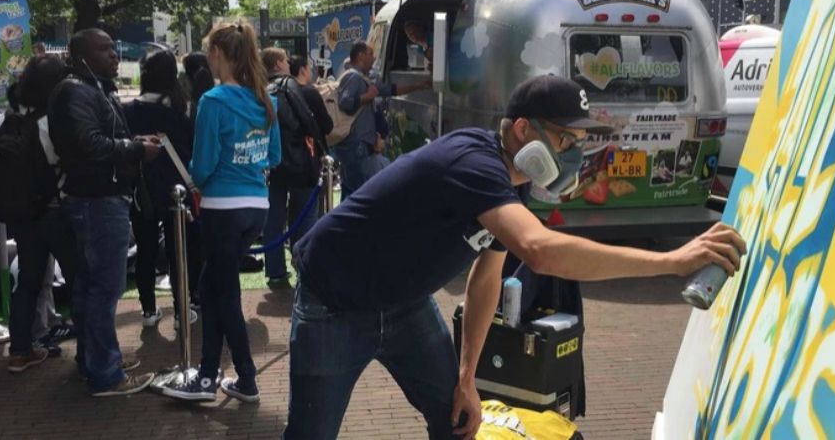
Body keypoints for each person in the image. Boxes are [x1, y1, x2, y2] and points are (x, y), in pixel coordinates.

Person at [284, 75, 746, 439]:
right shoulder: (473, 161)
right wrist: (672, 261)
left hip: (405, 304)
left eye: (580, 143)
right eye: (566, 141)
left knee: (458, 420)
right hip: (334, 304)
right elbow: (540, 251)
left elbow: (486, 278)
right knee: (310, 434)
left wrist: (468, 378)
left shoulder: (512, 187)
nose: (574, 156)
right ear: (524, 130)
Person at [161, 22, 281, 404]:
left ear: (216, 53)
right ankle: (208, 374)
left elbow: (201, 168)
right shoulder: (265, 100)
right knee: (213, 286)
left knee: (224, 294)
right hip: (256, 208)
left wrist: (197, 173)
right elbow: (274, 155)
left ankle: (244, 376)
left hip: (221, 208)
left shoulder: (213, 101)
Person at [49, 28, 161, 396]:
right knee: (103, 288)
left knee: (90, 285)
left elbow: (98, 138)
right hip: (97, 199)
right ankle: (105, 373)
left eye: (114, 47)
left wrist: (133, 143)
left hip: (99, 196)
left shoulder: (93, 88)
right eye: (104, 49)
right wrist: (135, 149)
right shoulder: (76, 91)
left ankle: (94, 360)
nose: (114, 54)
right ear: (81, 56)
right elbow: (89, 144)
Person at [0, 55, 79, 371]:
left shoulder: (3, 121)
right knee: (78, 280)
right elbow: (68, 163)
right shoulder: (54, 121)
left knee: (28, 281)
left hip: (22, 215)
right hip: (56, 211)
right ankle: (91, 353)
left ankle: (20, 350)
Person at [124, 49, 202, 330]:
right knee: (178, 250)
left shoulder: (129, 110)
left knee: (145, 250)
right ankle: (182, 310)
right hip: (177, 188)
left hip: (142, 190)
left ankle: (148, 310)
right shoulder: (184, 107)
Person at [260, 48, 328, 288]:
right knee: (304, 216)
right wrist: (319, 145)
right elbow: (309, 121)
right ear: (279, 63)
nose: (289, 64)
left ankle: (275, 270)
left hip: (271, 163)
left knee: (274, 218)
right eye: (286, 60)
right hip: (299, 159)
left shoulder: (259, 90)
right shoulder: (290, 86)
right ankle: (303, 266)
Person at [335, 41, 428, 198]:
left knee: (354, 191)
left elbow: (391, 90)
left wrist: (419, 86)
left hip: (361, 146)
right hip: (356, 146)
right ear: (360, 56)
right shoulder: (353, 77)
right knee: (360, 193)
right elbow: (345, 102)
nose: (374, 58)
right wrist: (368, 96)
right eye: (370, 54)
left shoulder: (365, 79)